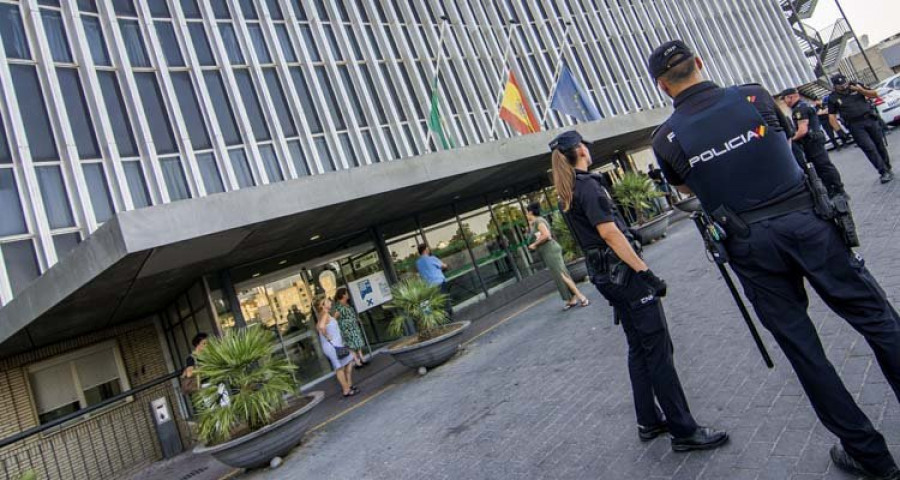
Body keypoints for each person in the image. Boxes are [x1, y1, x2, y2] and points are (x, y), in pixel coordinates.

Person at [648, 39, 900, 480]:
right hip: (808, 221)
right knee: (876, 317)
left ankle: (871, 457)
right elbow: (781, 141)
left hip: (750, 244)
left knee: (804, 351)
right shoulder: (754, 96)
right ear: (700, 63)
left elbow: (688, 188)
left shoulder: (665, 139)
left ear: (661, 86)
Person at [550, 130, 728, 453]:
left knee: (638, 347)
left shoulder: (569, 189)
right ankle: (683, 430)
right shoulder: (588, 186)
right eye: (585, 145)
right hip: (625, 277)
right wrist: (645, 273)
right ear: (579, 150)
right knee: (658, 349)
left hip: (607, 278)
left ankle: (648, 420)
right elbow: (610, 234)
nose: (589, 148)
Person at [827, 73, 893, 183]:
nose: (844, 86)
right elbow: (831, 116)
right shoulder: (832, 98)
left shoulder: (857, 86)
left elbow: (874, 94)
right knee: (869, 148)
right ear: (835, 86)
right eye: (840, 85)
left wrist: (860, 90)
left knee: (879, 144)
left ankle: (887, 166)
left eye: (845, 83)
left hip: (869, 119)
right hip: (855, 126)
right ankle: (883, 171)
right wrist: (839, 131)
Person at [525, 202, 590, 311]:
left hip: (551, 251)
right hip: (547, 252)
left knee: (562, 275)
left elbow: (546, 235)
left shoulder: (539, 221)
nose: (526, 215)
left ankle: (582, 297)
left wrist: (534, 244)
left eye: (527, 212)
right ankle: (571, 299)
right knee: (560, 275)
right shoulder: (535, 222)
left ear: (531, 212)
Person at [781, 88, 846, 196]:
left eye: (784, 99)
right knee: (823, 166)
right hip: (814, 140)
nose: (784, 102)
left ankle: (838, 189)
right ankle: (834, 189)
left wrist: (791, 140)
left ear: (790, 97)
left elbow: (803, 130)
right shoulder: (804, 105)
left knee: (823, 166)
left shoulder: (799, 109)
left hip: (812, 142)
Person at [316, 297, 357, 398]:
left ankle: (349, 385)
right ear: (323, 305)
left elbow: (322, 326)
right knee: (339, 367)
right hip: (332, 346)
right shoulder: (325, 314)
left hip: (334, 345)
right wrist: (327, 336)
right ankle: (346, 390)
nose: (330, 302)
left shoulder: (323, 315)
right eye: (327, 301)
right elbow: (321, 327)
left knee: (349, 359)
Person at [333, 287, 368, 368]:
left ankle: (362, 359)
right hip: (347, 330)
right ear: (343, 295)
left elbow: (351, 313)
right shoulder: (339, 306)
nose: (348, 295)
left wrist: (357, 319)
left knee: (358, 343)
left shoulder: (347, 304)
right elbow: (334, 318)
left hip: (354, 327)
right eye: (346, 293)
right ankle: (357, 362)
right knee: (351, 346)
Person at [415, 244, 452, 318]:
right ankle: (449, 317)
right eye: (428, 249)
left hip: (429, 286)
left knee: (437, 303)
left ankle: (441, 318)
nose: (429, 250)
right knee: (445, 301)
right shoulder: (432, 258)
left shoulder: (418, 263)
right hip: (439, 282)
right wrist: (447, 265)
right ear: (425, 250)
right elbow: (443, 266)